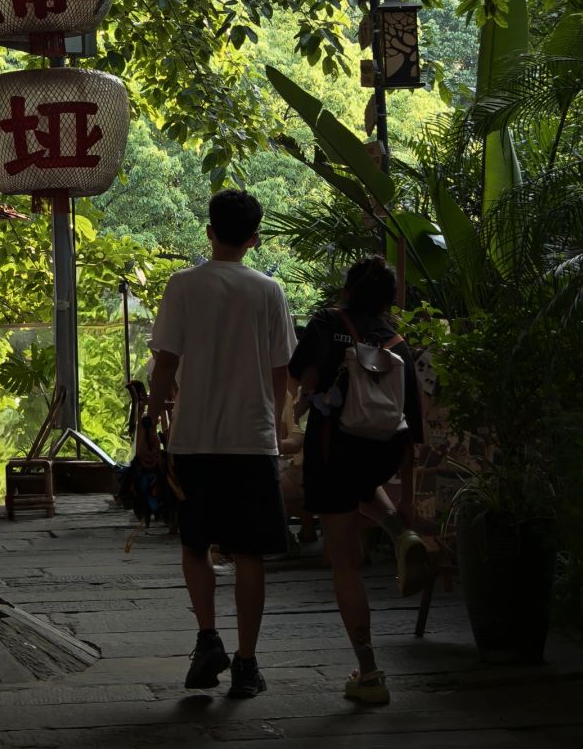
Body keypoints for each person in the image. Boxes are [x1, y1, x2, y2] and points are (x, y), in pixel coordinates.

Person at [148, 189, 296, 699]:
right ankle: (248, 664)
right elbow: (281, 371)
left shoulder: (183, 285)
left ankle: (207, 638)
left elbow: (165, 363)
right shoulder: (269, 291)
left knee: (195, 544)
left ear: (208, 232)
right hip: (252, 443)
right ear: (255, 239)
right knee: (249, 553)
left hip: (194, 441)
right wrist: (274, 424)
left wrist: (150, 422)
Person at [289, 255, 426, 706]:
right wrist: (408, 499)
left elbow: (304, 383)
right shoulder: (398, 343)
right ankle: (400, 531)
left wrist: (300, 407)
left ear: (347, 289)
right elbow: (412, 428)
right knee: (365, 488)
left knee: (345, 563)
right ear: (389, 301)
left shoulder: (328, 322)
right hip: (381, 453)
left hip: (334, 450)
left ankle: (368, 672)